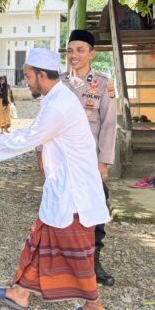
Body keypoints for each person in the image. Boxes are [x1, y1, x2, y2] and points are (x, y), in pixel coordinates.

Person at [0, 48, 111, 310]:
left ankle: (95, 308)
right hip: (62, 191)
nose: (26, 82)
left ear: (42, 75)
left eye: (29, 76)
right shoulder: (56, 100)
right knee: (39, 240)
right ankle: (19, 293)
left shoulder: (59, 105)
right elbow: (30, 133)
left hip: (75, 195)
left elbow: (30, 137)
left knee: (77, 253)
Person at [57, 29, 117, 286]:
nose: (74, 55)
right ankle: (63, 263)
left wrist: (103, 161)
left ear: (92, 53)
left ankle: (93, 262)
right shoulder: (58, 83)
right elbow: (45, 121)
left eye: (80, 50)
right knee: (61, 211)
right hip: (62, 160)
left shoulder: (103, 84)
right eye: (70, 50)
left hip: (90, 162)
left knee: (95, 212)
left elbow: (109, 124)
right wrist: (40, 154)